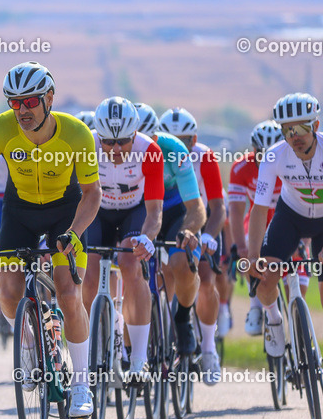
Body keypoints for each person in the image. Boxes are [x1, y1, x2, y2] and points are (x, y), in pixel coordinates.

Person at [0, 62, 101, 419]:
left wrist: (75, 232)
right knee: (8, 293)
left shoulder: (77, 133)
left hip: (65, 214)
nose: (22, 110)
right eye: (14, 103)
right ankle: (27, 345)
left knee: (68, 293)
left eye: (29, 102)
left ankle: (82, 386)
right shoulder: (1, 128)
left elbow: (92, 193)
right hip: (19, 212)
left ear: (49, 98)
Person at [248, 93, 323, 389]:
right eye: (287, 130)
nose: (294, 136)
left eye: (301, 128)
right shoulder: (274, 155)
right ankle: (274, 320)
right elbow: (260, 209)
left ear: (316, 125)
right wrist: (253, 256)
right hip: (291, 216)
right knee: (265, 278)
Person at [82, 97, 164, 377]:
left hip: (134, 212)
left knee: (130, 265)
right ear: (98, 137)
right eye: (108, 142)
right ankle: (91, 347)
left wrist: (148, 237)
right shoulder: (86, 146)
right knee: (88, 275)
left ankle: (139, 359)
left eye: (123, 141)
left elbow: (155, 211)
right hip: (97, 211)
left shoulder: (149, 151)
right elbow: (74, 198)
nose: (116, 149)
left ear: (135, 134)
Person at [161, 107, 226, 385]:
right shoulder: (157, 154)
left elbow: (218, 207)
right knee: (164, 274)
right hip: (172, 216)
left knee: (207, 280)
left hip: (204, 219)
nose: (178, 145)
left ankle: (209, 348)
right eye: (172, 139)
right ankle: (162, 337)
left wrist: (209, 235)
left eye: (185, 141)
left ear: (194, 140)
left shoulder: (205, 157)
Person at [148, 116, 207, 359]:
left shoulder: (174, 149)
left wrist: (189, 230)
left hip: (175, 210)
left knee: (181, 263)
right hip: (142, 211)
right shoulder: (117, 149)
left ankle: (183, 318)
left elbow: (197, 207)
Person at [228, 120, 284, 335]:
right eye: (261, 154)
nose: (267, 159)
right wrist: (240, 246)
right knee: (247, 250)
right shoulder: (241, 167)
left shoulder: (291, 163)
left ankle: (297, 314)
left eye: (272, 153)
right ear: (253, 150)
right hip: (257, 219)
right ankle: (255, 306)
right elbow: (235, 210)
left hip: (285, 219)